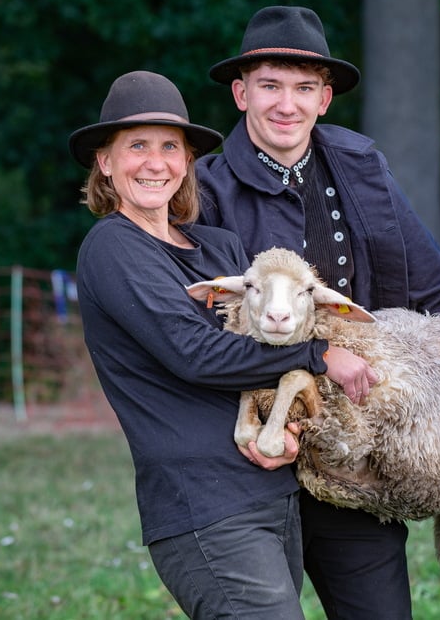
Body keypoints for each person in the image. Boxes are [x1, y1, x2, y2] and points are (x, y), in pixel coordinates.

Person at [196, 5, 440, 619]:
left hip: (351, 454)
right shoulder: (203, 190)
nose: (287, 104)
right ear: (240, 93)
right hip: (250, 458)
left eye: (304, 87)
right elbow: (196, 332)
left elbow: (434, 286)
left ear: (325, 98)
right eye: (270, 85)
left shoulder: (362, 169)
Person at [69, 70, 377, 619]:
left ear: (187, 161)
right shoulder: (113, 248)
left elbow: (258, 347)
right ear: (105, 161)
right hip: (204, 507)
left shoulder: (219, 248)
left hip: (272, 490)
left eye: (170, 146)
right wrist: (317, 354)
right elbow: (195, 353)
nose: (156, 162)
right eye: (135, 145)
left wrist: (290, 419)